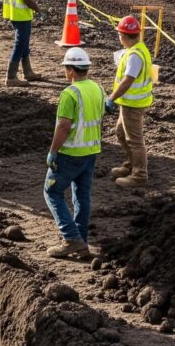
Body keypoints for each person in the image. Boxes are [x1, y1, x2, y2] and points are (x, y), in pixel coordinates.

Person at [44, 47, 105, 259]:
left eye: (65, 68)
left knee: (51, 192)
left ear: (71, 70)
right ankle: (82, 241)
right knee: (82, 195)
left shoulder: (70, 93)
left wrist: (53, 151)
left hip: (70, 153)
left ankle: (70, 238)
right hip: (91, 151)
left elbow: (63, 126)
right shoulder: (98, 89)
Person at [105, 15, 153, 188]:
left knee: (135, 139)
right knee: (120, 132)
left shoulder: (134, 56)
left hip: (133, 104)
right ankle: (131, 165)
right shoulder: (137, 49)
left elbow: (127, 80)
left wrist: (111, 98)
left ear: (123, 36)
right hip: (129, 103)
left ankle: (139, 175)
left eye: (119, 35)